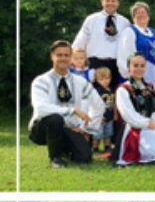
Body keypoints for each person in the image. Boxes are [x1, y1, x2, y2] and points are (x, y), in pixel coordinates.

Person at [29, 40, 105, 168]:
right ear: (52, 56)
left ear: (71, 57)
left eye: (66, 55)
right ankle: (55, 159)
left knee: (84, 157)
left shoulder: (80, 81)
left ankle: (63, 149)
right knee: (55, 119)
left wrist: (87, 128)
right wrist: (72, 110)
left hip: (68, 128)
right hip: (42, 128)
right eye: (59, 55)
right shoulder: (41, 81)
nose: (63, 58)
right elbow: (41, 108)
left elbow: (98, 104)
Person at [73, 0, 130, 88]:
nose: (110, 3)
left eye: (113, 1)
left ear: (118, 3)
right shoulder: (91, 19)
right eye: (107, 0)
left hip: (116, 65)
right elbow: (80, 42)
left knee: (113, 96)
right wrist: (72, 60)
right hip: (95, 64)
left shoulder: (125, 22)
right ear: (102, 1)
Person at [118, 1, 155, 96]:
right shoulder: (130, 32)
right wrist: (130, 74)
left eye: (144, 12)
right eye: (138, 13)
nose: (141, 15)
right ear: (133, 17)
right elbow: (125, 55)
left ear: (148, 16)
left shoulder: (153, 32)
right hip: (140, 72)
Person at [91, 67, 115, 157]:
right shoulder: (97, 91)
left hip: (110, 115)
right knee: (97, 134)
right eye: (101, 79)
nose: (105, 81)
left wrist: (115, 114)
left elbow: (114, 102)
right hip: (99, 117)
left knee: (108, 133)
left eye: (107, 78)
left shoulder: (111, 90)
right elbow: (93, 104)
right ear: (97, 80)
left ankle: (107, 147)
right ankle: (95, 148)